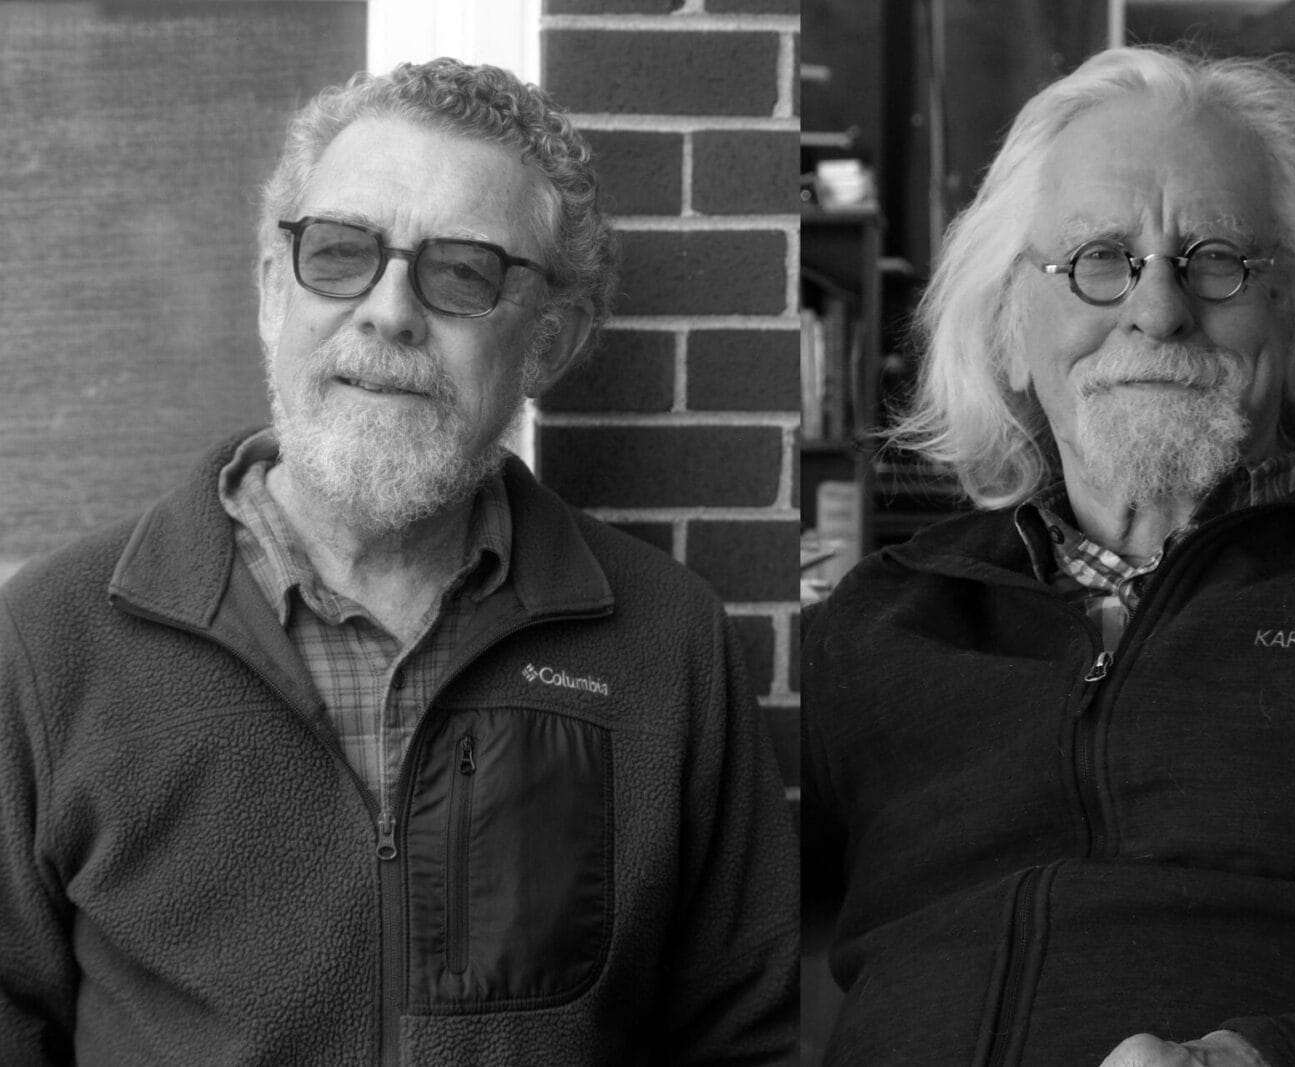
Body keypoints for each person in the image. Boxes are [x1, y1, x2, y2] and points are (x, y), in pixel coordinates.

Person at [802, 46, 1295, 1067]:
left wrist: (1267, 1061)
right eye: (1098, 258)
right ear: (1006, 329)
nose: (1158, 309)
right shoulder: (881, 621)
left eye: (1216, 258)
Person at [0, 59, 796, 1064]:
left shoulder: (665, 643)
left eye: (461, 272)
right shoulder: (53, 639)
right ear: (272, 291)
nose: (388, 311)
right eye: (340, 252)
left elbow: (741, 1033)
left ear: (548, 344)